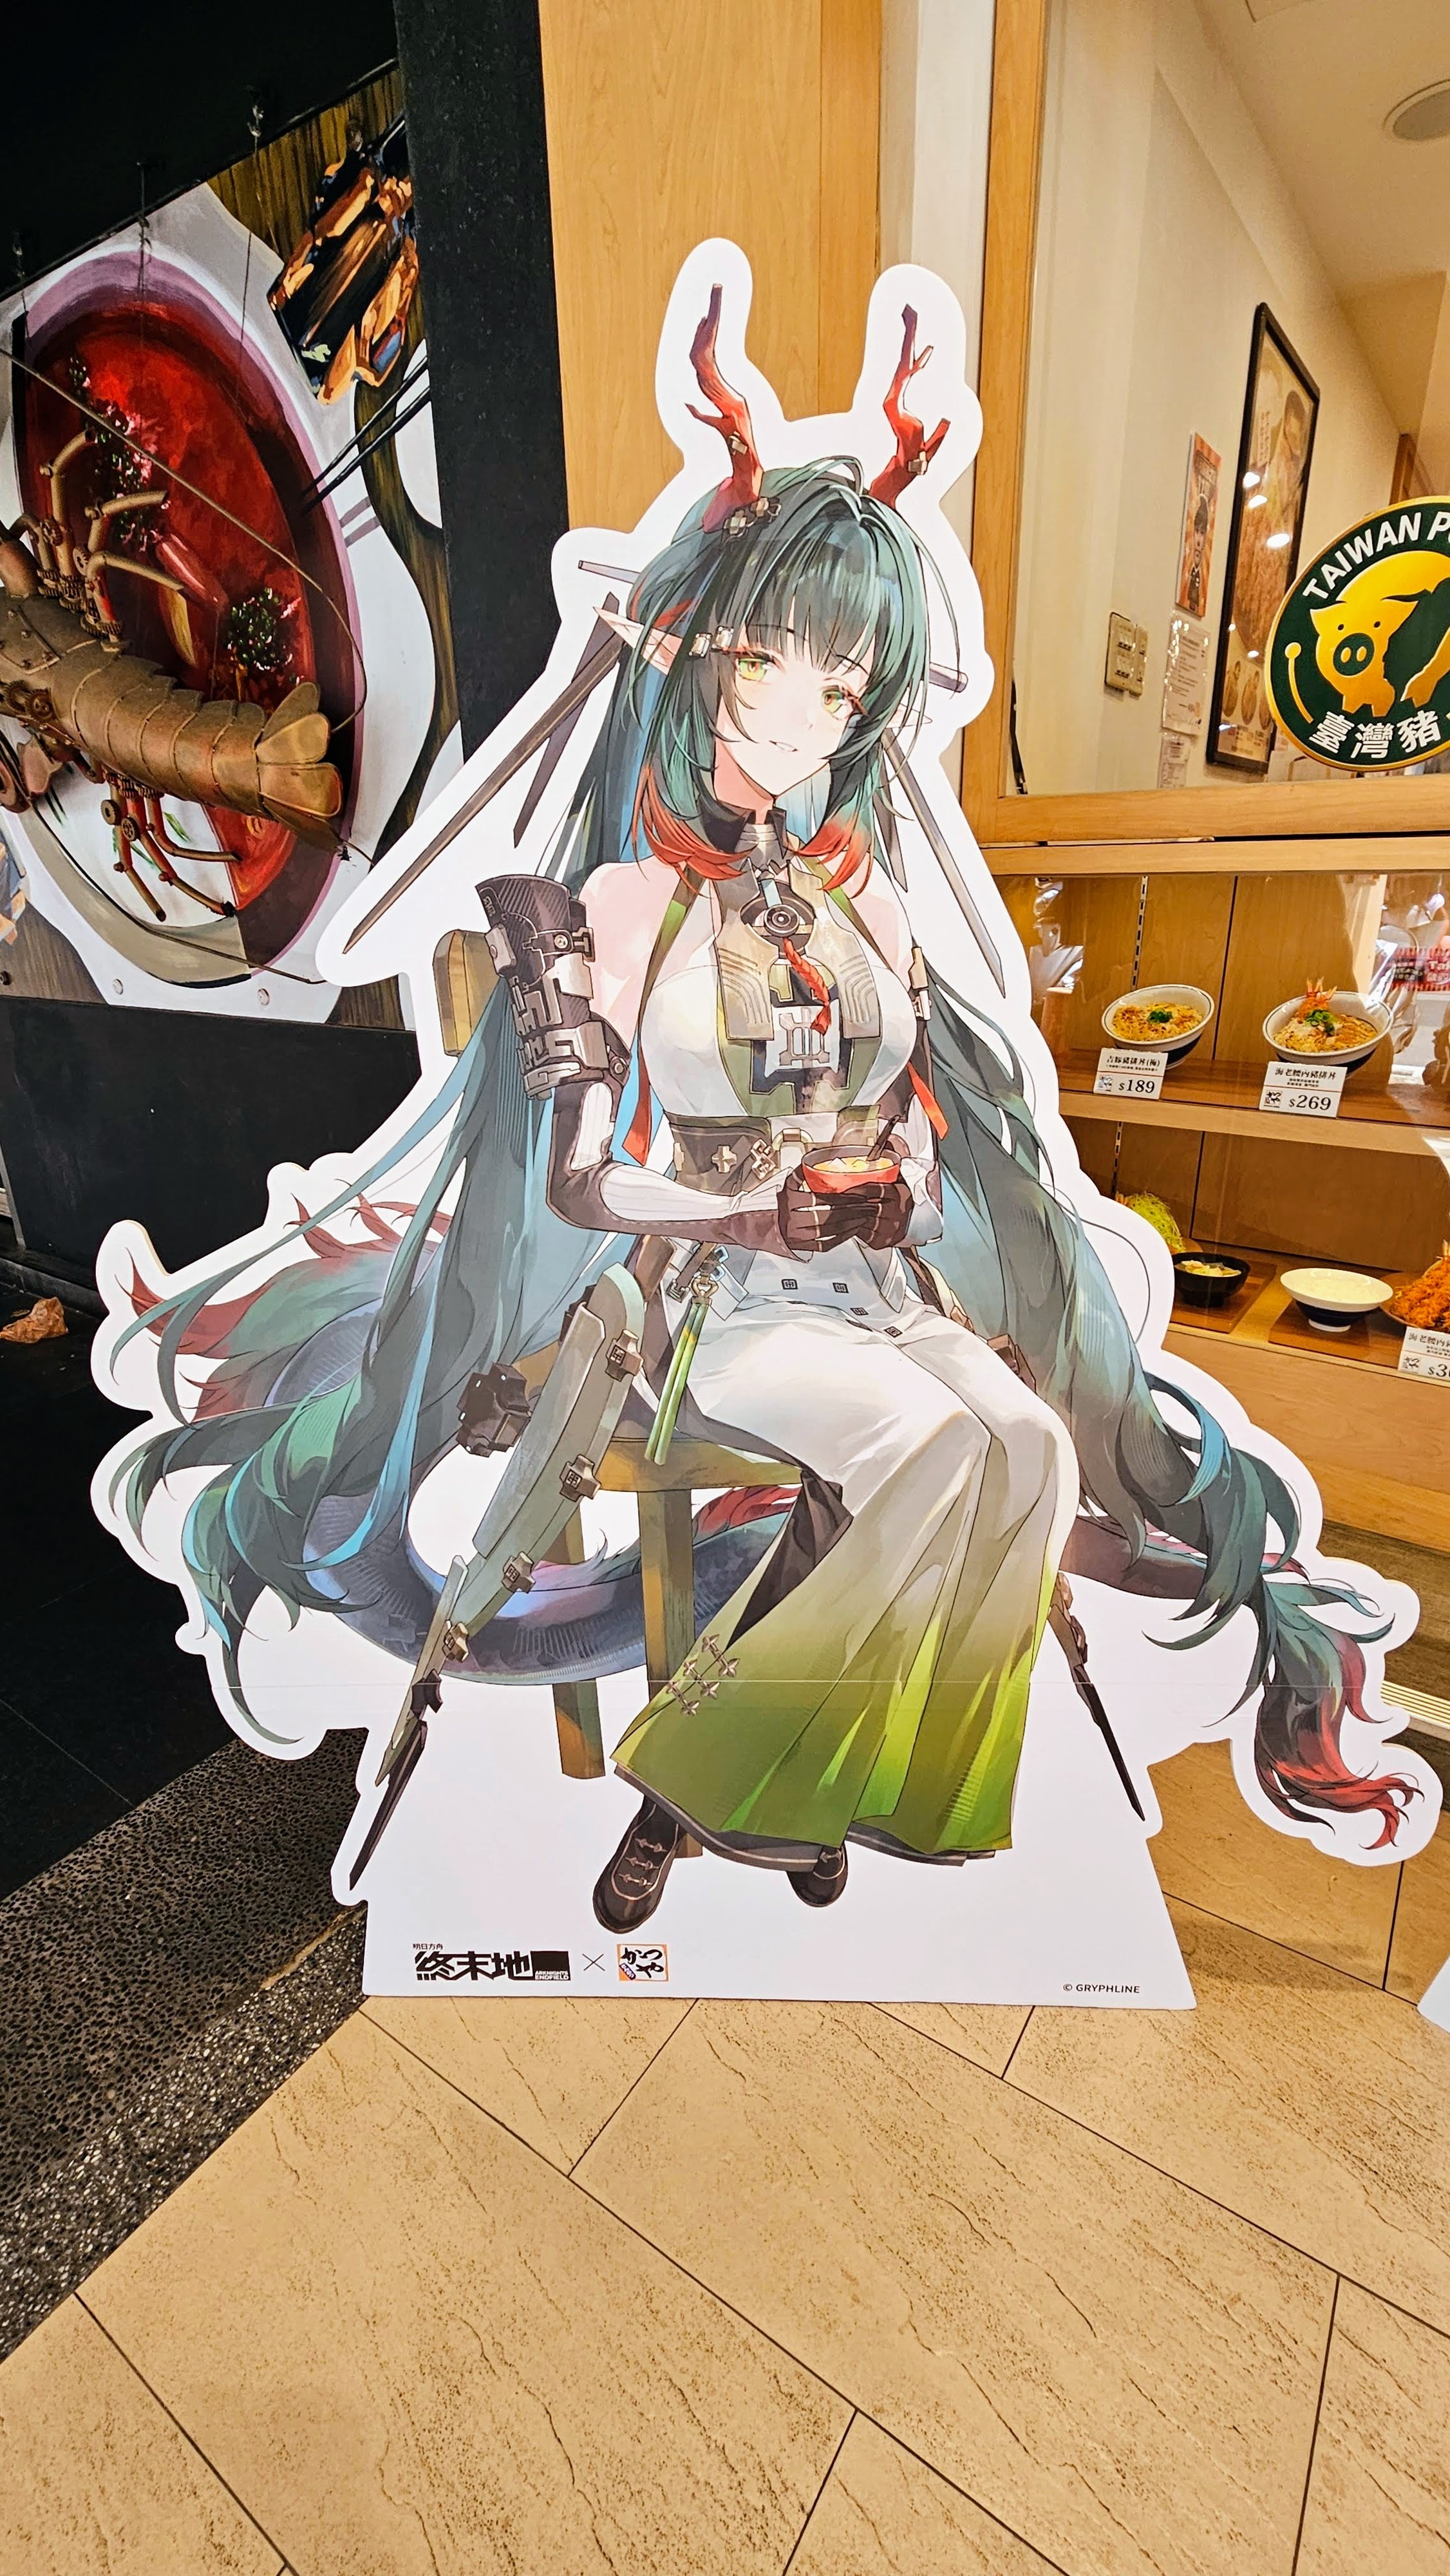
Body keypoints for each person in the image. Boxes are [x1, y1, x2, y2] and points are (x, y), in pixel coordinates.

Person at [115, 297, 1417, 1934]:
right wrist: (751, 1210)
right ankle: (715, 1788)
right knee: (934, 1449)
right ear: (694, 653)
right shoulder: (606, 903)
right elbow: (585, 1183)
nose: (798, 719)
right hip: (712, 1301)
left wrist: (907, 1174)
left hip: (883, 1288)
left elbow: (915, 1111)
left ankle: (806, 1781)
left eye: (839, 685)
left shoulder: (871, 905)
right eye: (766, 667)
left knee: (1024, 1449)